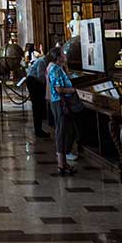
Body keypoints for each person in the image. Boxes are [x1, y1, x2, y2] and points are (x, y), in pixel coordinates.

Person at [47, 46, 77, 175]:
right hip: (60, 102)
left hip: (57, 101)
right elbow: (59, 89)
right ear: (58, 56)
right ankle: (61, 164)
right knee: (61, 130)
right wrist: (72, 90)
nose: (65, 55)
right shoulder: (55, 69)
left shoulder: (53, 67)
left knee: (63, 130)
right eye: (62, 54)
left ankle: (63, 162)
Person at [26, 51, 50, 138]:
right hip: (34, 83)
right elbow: (40, 77)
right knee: (37, 106)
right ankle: (38, 130)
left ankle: (39, 129)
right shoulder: (42, 61)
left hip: (34, 82)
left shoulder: (43, 61)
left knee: (38, 106)